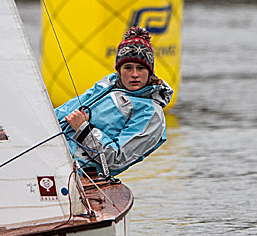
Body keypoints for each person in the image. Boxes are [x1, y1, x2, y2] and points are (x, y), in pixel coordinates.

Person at [54, 26, 173, 177]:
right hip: (49, 154)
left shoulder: (151, 114)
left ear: (150, 72)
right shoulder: (107, 85)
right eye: (128, 68)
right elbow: (61, 113)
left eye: (141, 68)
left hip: (78, 174)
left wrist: (84, 130)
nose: (134, 74)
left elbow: (117, 159)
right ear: (119, 70)